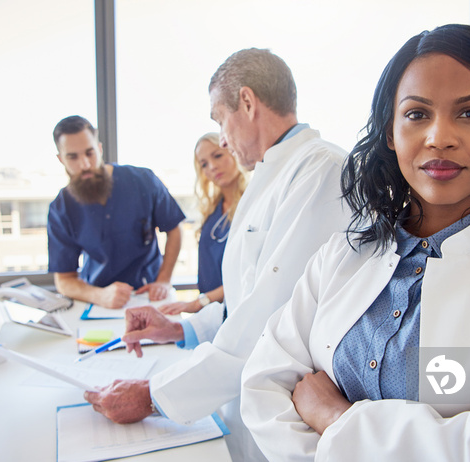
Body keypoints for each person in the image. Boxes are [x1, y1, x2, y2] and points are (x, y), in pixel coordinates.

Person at [241, 24, 470, 461]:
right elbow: (263, 386)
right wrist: (449, 439)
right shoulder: (340, 258)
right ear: (390, 132)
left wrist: (336, 419)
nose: (439, 137)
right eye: (416, 114)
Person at [84, 48, 351, 461]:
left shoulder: (320, 172)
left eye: (219, 119)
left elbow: (270, 318)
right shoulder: (274, 174)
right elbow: (245, 298)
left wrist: (153, 394)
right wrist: (181, 328)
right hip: (248, 398)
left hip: (290, 413)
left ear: (247, 102)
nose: (222, 138)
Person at [47, 115, 185, 308]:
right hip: (98, 299)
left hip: (148, 293)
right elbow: (64, 280)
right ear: (61, 159)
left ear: (100, 149)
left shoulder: (143, 180)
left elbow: (174, 229)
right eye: (73, 157)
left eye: (90, 153)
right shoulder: (61, 209)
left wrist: (163, 279)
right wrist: (99, 296)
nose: (85, 164)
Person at [159, 133, 248, 315]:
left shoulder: (252, 204)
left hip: (235, 311)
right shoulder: (213, 209)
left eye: (217, 156)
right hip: (209, 312)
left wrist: (201, 302)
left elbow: (249, 274)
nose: (212, 167)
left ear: (233, 152)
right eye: (204, 164)